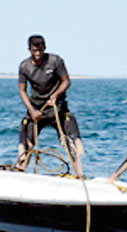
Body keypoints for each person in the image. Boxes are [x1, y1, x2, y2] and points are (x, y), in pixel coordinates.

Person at [17, 35, 85, 178]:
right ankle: (20, 172)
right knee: (27, 144)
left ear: (44, 48)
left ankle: (80, 176)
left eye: (40, 50)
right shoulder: (24, 66)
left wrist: (55, 95)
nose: (38, 54)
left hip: (57, 108)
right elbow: (22, 90)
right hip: (37, 110)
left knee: (69, 142)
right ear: (29, 49)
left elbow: (66, 81)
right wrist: (32, 110)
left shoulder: (55, 61)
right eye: (34, 50)